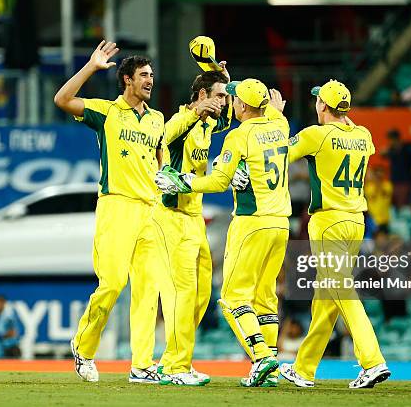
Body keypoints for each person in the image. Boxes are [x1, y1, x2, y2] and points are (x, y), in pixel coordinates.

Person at [156, 79, 291, 387]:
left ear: (242, 105)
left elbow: (218, 182)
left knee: (231, 298)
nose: (230, 104)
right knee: (265, 296)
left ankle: (262, 358)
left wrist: (184, 182)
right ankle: (268, 363)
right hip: (281, 223)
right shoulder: (281, 125)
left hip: (251, 222)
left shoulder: (238, 135)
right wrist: (275, 112)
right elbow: (275, 119)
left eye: (233, 99)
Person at [54, 41, 166, 383]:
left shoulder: (157, 119)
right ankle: (84, 347)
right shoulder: (106, 112)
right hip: (117, 206)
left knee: (148, 289)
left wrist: (165, 186)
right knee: (113, 283)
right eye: (143, 75)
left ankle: (141, 364)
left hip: (150, 210)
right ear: (127, 80)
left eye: (151, 74)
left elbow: (159, 161)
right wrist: (90, 67)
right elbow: (62, 100)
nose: (150, 80)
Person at [278, 80, 390, 389]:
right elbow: (348, 128)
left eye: (318, 101)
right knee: (326, 297)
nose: (316, 104)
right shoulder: (362, 135)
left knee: (341, 290)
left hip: (328, 222)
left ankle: (373, 361)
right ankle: (304, 368)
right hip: (356, 222)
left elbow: (279, 153)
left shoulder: (316, 135)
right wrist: (341, 115)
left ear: (323, 106)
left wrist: (275, 117)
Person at [154, 68, 233, 386]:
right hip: (172, 219)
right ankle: (176, 368)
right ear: (202, 96)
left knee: (201, 296)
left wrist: (226, 78)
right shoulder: (183, 121)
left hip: (195, 220)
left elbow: (232, 116)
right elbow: (161, 137)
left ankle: (170, 360)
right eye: (219, 96)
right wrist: (193, 112)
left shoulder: (209, 122)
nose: (224, 103)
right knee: (184, 293)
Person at [381, 129, 411, 208]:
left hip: (405, 181)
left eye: (391, 139)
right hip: (394, 182)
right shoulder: (392, 149)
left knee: (404, 206)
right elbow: (382, 153)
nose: (390, 141)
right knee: (396, 205)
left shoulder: (408, 147)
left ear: (396, 138)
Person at [364, 166, 393, 233]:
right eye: (377, 175)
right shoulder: (369, 186)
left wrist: (378, 183)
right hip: (372, 219)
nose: (379, 177)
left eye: (381, 175)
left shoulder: (388, 185)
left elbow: (385, 193)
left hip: (385, 219)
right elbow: (373, 196)